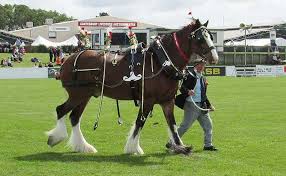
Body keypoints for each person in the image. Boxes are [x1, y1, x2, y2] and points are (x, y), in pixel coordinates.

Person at [168, 58, 218, 151]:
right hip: (191, 105)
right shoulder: (190, 75)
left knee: (208, 125)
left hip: (202, 106)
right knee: (185, 126)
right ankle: (171, 141)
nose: (202, 67)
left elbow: (203, 94)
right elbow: (181, 87)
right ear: (195, 65)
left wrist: (209, 105)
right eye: (200, 65)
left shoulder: (203, 77)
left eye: (203, 65)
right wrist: (188, 91)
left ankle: (208, 145)